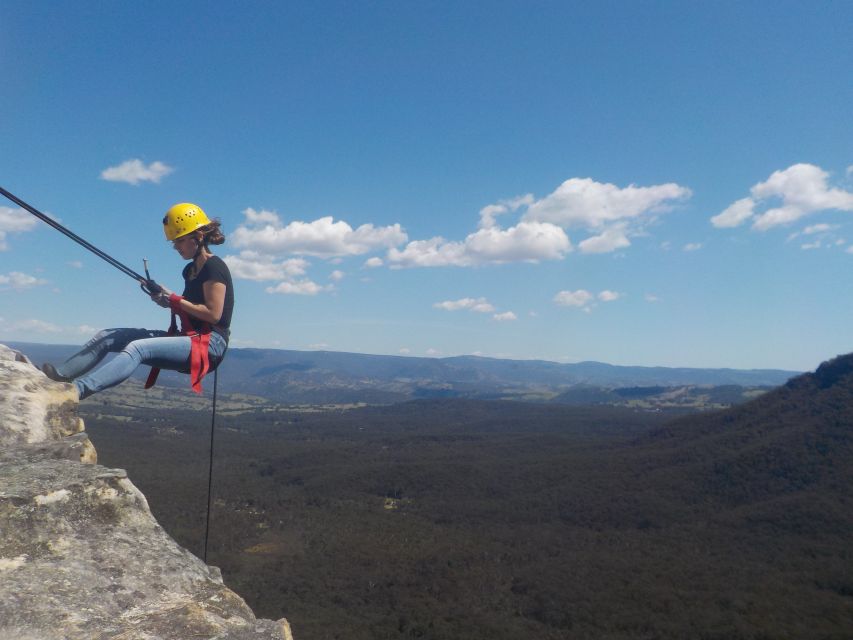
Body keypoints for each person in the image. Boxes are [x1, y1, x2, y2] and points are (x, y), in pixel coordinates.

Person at [42, 203, 234, 400]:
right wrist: (167, 301)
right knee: (106, 337)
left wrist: (175, 299)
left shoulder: (214, 266)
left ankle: (75, 391)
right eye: (174, 242)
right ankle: (58, 376)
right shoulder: (190, 270)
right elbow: (192, 311)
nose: (176, 247)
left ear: (199, 236)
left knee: (138, 348)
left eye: (180, 240)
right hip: (191, 337)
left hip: (211, 345)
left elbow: (213, 314)